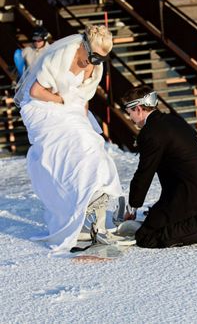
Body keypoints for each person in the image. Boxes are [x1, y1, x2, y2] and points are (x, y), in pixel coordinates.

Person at [14, 25, 122, 252]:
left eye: (100, 59)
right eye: (92, 56)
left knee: (89, 142)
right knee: (66, 147)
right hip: (42, 105)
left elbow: (84, 98)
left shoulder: (95, 67)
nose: (94, 62)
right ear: (83, 46)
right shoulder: (60, 55)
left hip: (70, 106)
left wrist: (82, 120)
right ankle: (73, 203)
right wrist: (62, 101)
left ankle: (94, 195)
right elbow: (35, 91)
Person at [122, 85, 197, 248]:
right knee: (154, 218)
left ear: (138, 108)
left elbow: (144, 174)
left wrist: (133, 207)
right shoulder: (172, 121)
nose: (129, 117)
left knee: (146, 237)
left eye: (129, 112)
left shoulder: (151, 132)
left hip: (192, 194)